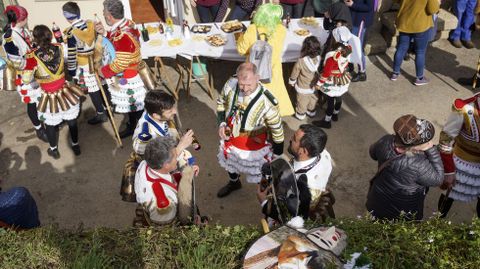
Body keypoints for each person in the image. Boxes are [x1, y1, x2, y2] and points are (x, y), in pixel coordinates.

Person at [216, 62, 284, 197]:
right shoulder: (230, 84)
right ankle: (234, 182)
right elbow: (221, 103)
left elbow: (277, 131)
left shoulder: (268, 101)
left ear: (258, 78)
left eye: (249, 85)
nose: (245, 89)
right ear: (237, 77)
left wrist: (277, 156)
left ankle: (266, 197)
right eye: (242, 84)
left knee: (260, 172)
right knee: (231, 162)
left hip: (255, 145)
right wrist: (222, 123)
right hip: (231, 138)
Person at [366, 114, 444, 221]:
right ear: (414, 145)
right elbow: (438, 179)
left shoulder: (385, 140)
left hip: (377, 201)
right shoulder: (419, 164)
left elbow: (372, 153)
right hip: (404, 212)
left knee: (375, 226)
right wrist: (431, 149)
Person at [121, 90, 195, 202]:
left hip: (168, 162)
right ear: (155, 115)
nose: (175, 112)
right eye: (170, 111)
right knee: (174, 200)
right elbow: (158, 160)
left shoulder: (154, 111)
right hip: (159, 172)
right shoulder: (145, 136)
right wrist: (180, 146)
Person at [23, 25, 83, 159]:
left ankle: (54, 149)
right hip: (64, 90)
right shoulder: (60, 48)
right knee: (71, 120)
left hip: (47, 94)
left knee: (50, 124)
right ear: (50, 35)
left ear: (35, 39)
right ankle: (75, 145)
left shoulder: (32, 56)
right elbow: (72, 60)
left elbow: (26, 79)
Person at [257, 124, 335, 222]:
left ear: (303, 151)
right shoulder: (323, 153)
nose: (290, 139)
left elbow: (290, 218)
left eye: (294, 139)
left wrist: (264, 202)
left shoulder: (306, 186)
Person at [95, 0, 146, 138]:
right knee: (131, 104)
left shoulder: (122, 35)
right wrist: (105, 33)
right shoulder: (127, 23)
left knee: (134, 104)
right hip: (131, 71)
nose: (103, 15)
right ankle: (134, 125)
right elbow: (116, 43)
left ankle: (143, 130)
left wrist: (102, 71)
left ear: (109, 16)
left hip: (128, 75)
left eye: (104, 13)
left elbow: (120, 64)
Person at [236, 3, 295, 117]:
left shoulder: (252, 29)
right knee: (273, 99)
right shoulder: (281, 30)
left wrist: (240, 37)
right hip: (273, 71)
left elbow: (241, 50)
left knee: (254, 100)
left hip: (253, 70)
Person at [2, 5, 47, 142]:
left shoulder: (24, 31)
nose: (27, 19)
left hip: (35, 71)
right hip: (25, 76)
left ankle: (46, 121)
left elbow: (31, 47)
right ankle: (39, 128)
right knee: (32, 102)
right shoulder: (9, 38)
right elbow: (17, 63)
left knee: (41, 98)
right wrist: (32, 63)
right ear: (20, 19)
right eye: (25, 17)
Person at [134, 136, 201, 225]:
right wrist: (186, 178)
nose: (177, 158)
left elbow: (166, 175)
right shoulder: (165, 204)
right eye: (175, 157)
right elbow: (173, 230)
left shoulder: (146, 164)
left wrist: (185, 171)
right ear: (165, 165)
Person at [62, 1, 108, 125]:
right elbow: (100, 40)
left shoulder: (70, 32)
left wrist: (71, 71)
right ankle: (109, 106)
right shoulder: (91, 24)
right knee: (102, 83)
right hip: (98, 59)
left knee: (93, 89)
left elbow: (71, 55)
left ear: (66, 17)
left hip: (85, 64)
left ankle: (101, 113)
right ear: (78, 12)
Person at [437, 93, 480, 218]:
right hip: (461, 164)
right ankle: (436, 224)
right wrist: (449, 171)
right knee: (447, 198)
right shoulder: (464, 109)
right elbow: (445, 141)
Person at [390, 0, 439, 86]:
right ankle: (419, 78)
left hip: (404, 21)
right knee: (420, 51)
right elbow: (433, 9)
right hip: (420, 24)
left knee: (401, 48)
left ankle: (395, 74)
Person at [313, 39, 352, 129]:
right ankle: (335, 114)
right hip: (341, 79)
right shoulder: (346, 53)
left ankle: (327, 121)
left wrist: (319, 84)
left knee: (330, 101)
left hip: (332, 81)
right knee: (339, 98)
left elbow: (326, 73)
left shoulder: (332, 58)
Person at [289, 36, 322, 120]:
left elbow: (295, 72)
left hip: (303, 86)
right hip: (314, 84)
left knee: (302, 102)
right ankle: (311, 111)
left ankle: (301, 114)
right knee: (313, 99)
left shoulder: (301, 61)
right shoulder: (319, 58)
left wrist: (292, 81)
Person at [344, 0, 374, 82]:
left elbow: (369, 7)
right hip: (352, 18)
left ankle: (362, 72)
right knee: (349, 43)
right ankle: (350, 65)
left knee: (357, 47)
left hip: (360, 20)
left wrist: (353, 4)